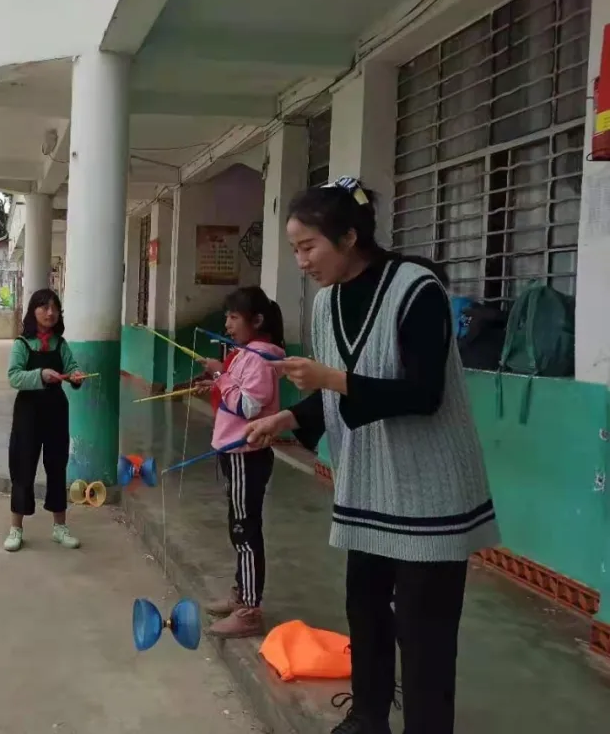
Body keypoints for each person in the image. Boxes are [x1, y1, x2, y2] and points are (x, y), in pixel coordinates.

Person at [244, 177, 498, 734]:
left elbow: (424, 393)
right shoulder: (326, 304)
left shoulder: (416, 289)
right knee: (365, 613)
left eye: (309, 246)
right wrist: (285, 418)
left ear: (350, 237)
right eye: (295, 249)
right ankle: (367, 718)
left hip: (430, 497)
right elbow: (334, 393)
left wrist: (332, 377)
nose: (301, 261)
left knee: (424, 631)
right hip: (366, 492)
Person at [194, 287, 286, 639]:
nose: (227, 324)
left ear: (257, 321)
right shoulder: (245, 354)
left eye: (234, 317)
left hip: (247, 456)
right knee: (239, 526)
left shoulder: (260, 359)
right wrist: (221, 375)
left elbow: (249, 406)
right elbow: (238, 391)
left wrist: (222, 379)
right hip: (235, 453)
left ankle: (249, 610)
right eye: (227, 316)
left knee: (245, 531)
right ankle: (241, 594)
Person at [4, 288, 87, 552]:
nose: (50, 312)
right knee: (23, 467)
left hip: (55, 411)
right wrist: (40, 375)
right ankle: (16, 529)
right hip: (28, 412)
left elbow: (71, 367)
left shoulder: (60, 344)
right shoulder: (21, 344)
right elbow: (14, 377)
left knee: (56, 465)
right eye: (44, 307)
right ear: (33, 311)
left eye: (54, 307)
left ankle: (59, 528)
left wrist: (75, 377)